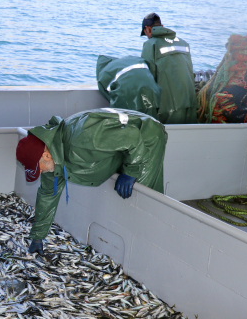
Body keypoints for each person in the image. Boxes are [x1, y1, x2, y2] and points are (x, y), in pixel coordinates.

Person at [16, 109, 168, 255]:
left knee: (144, 199)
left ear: (46, 155)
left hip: (147, 136)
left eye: (38, 168)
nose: (40, 172)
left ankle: (159, 241)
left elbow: (133, 136)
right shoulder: (52, 156)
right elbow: (47, 196)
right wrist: (38, 236)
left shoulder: (82, 138)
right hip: (124, 144)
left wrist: (131, 171)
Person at [140, 13, 198, 124]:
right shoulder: (183, 43)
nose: (147, 36)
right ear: (161, 25)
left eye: (145, 33)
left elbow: (147, 80)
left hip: (168, 108)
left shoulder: (151, 44)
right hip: (190, 104)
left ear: (147, 29)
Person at [96, 54, 162, 120]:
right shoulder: (133, 58)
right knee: (151, 120)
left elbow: (106, 94)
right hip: (152, 88)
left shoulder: (104, 71)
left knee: (124, 121)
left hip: (127, 91)